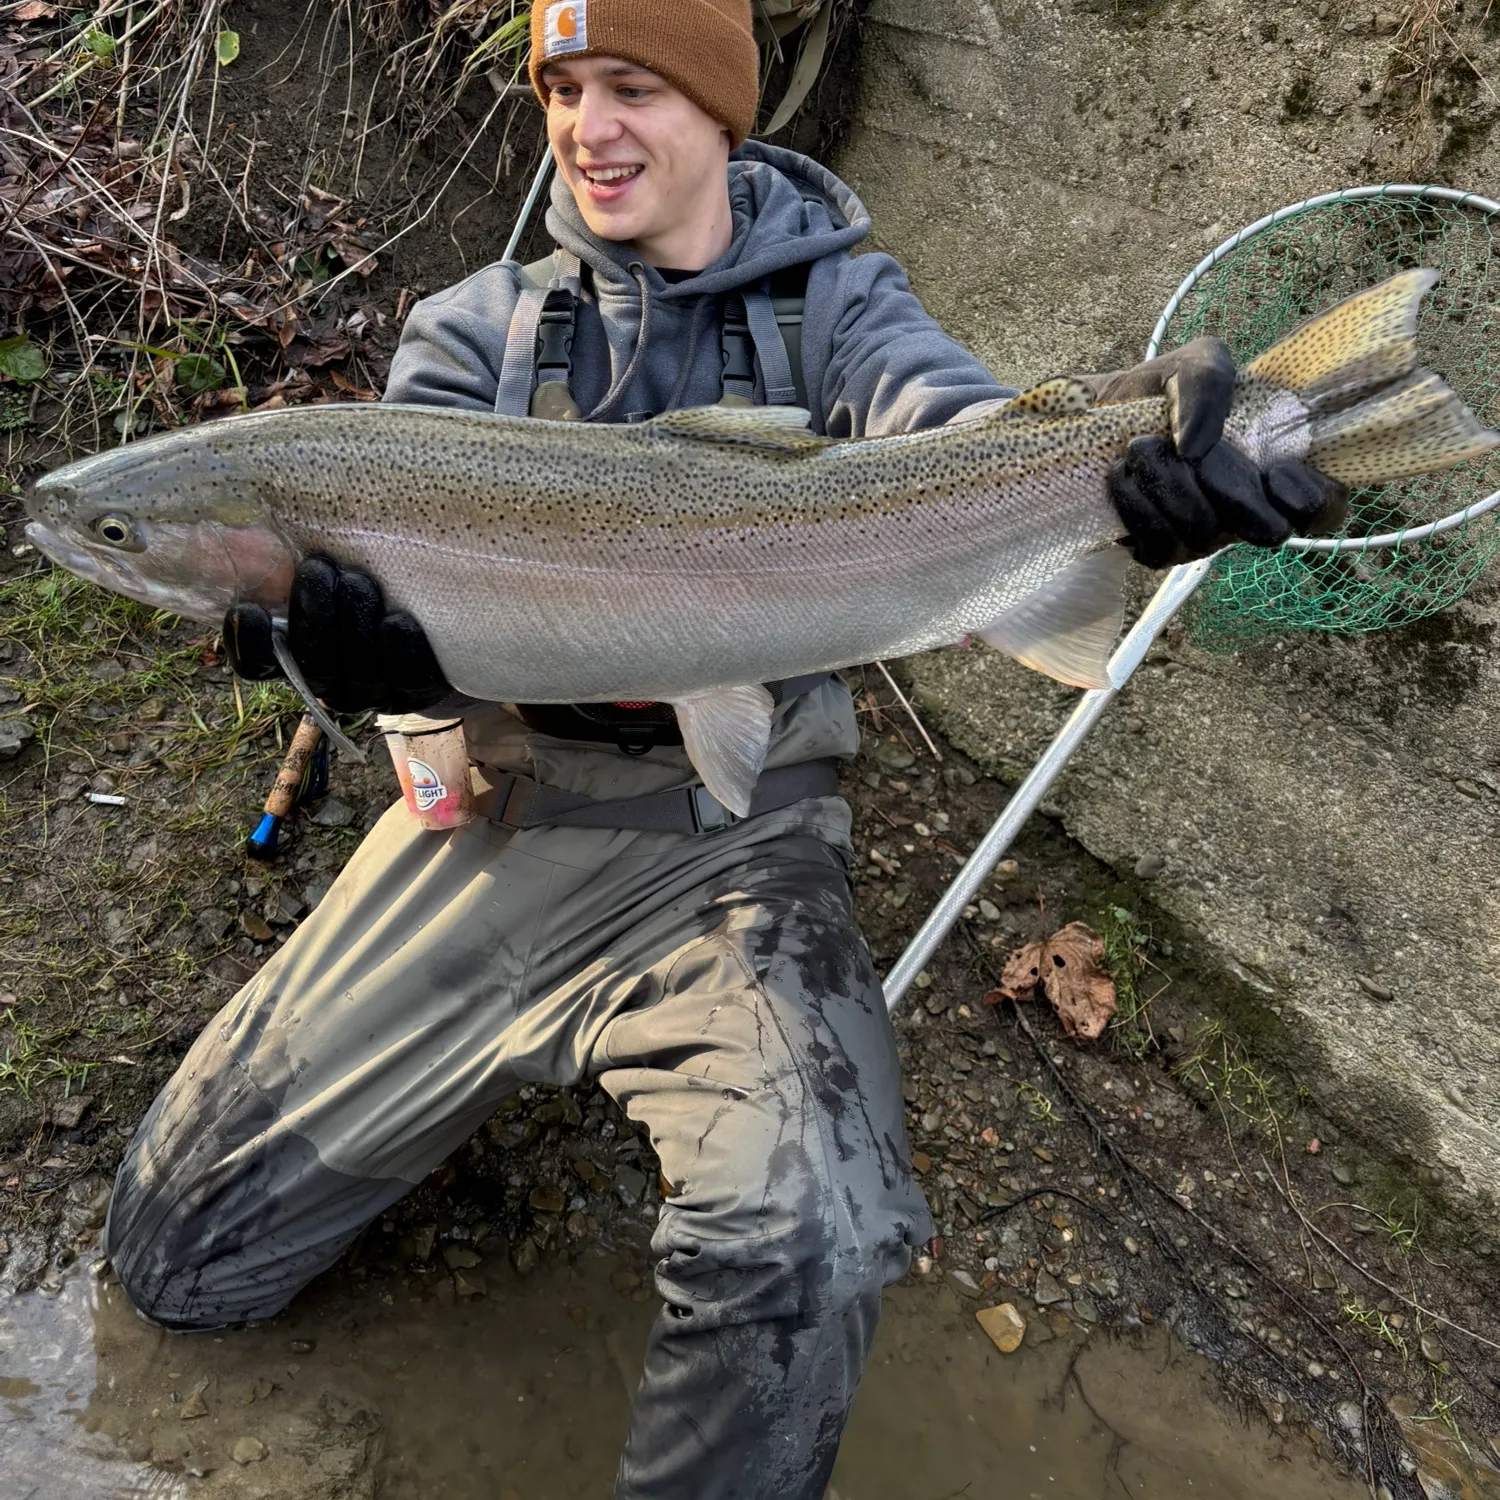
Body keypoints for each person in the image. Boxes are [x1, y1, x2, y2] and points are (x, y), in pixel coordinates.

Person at [101, 2, 1345, 1495]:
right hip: (502, 813)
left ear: (719, 109)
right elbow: (375, 621)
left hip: (739, 846)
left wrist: (1125, 460)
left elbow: (946, 419)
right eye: (564, 88)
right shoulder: (474, 330)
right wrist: (348, 657)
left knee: (816, 1236)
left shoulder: (844, 306)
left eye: (633, 85)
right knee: (175, 1253)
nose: (590, 127)